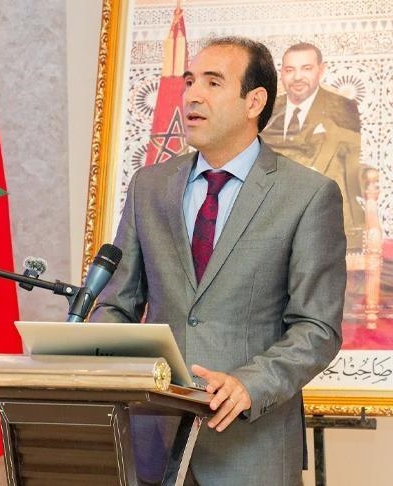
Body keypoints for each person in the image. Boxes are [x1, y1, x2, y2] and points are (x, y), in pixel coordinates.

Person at [90, 36, 346, 486]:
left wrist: (250, 384)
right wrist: (91, 349)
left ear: (254, 102)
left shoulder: (307, 196)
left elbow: (317, 328)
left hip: (250, 448)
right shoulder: (150, 187)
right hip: (152, 445)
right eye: (189, 81)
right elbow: (117, 303)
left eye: (212, 82)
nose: (192, 95)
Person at [262, 42, 366, 250]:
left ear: (321, 70)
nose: (297, 77)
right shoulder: (269, 109)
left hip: (322, 219)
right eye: (290, 70)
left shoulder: (342, 108)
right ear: (281, 74)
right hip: (273, 218)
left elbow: (344, 167)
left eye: (306, 68)